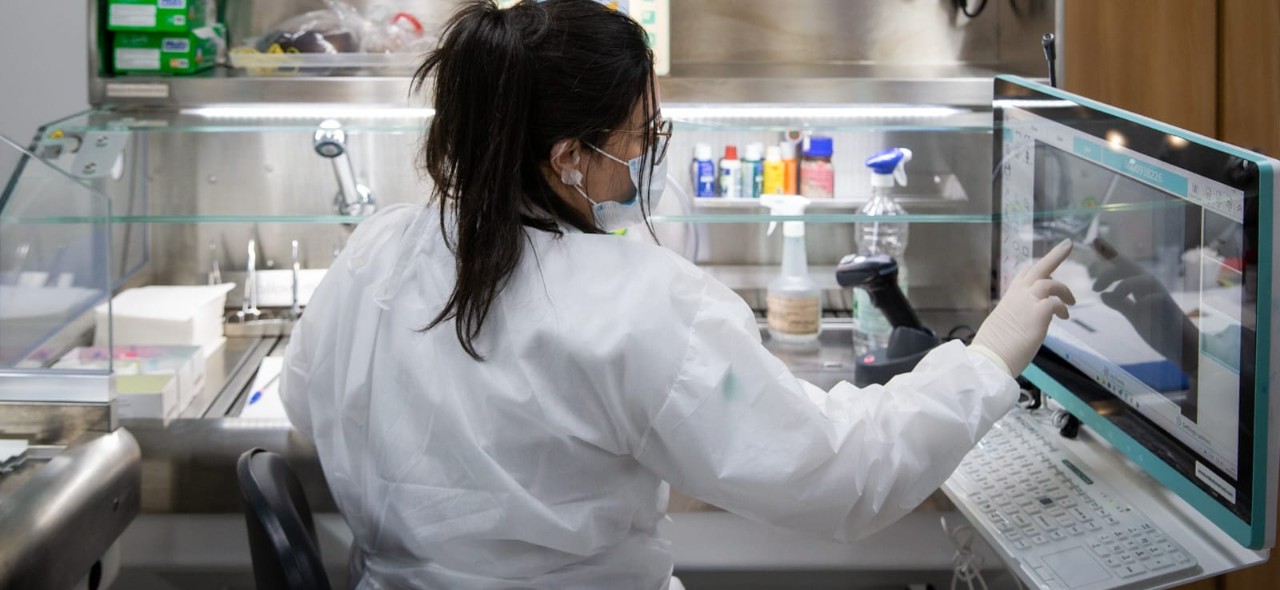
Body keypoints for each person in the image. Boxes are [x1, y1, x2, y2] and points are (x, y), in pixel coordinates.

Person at [280, 1, 1077, 588]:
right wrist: (986, 361)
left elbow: (306, 406)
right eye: (641, 136)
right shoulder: (634, 302)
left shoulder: (377, 250)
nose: (649, 157)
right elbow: (841, 476)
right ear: (568, 158)